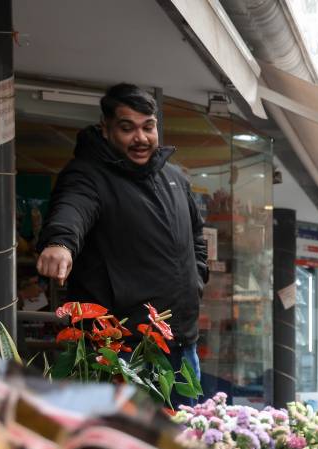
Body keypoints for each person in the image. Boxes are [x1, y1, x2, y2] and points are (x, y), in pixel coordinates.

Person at [36, 83, 209, 378]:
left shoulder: (175, 178)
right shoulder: (87, 175)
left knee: (187, 426)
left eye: (148, 127)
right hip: (122, 352)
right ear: (106, 129)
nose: (140, 138)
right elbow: (73, 207)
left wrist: (197, 280)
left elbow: (196, 240)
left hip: (182, 343)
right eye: (127, 128)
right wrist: (60, 242)